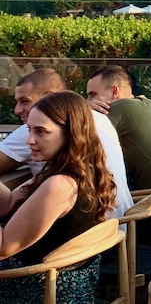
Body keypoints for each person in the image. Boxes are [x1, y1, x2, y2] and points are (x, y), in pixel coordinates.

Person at [0, 91, 117, 303]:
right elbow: (8, 203)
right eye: (29, 130)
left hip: (33, 287)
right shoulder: (84, 170)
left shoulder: (60, 185)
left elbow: (3, 248)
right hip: (67, 283)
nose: (29, 140)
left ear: (70, 133)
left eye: (41, 132)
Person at [0, 68, 133, 219]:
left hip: (90, 236)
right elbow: (9, 202)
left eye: (25, 101)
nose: (17, 110)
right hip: (120, 229)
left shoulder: (61, 183)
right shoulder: (98, 119)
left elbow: (9, 242)